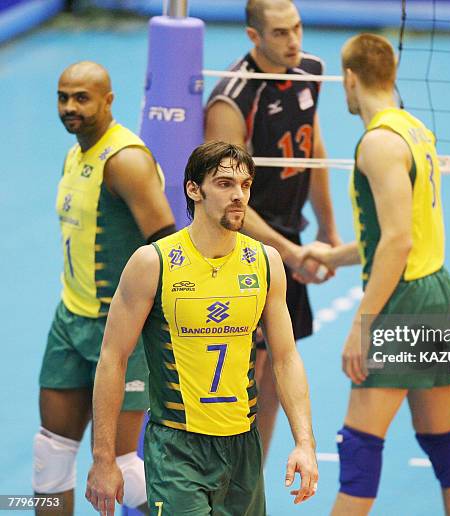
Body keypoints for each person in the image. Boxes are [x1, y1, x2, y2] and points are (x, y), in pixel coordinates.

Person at [85, 141, 318, 515]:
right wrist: (103, 458)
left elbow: (286, 358)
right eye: (225, 184)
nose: (238, 195)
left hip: (242, 448)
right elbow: (113, 358)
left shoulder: (265, 262)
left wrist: (304, 442)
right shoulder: (153, 263)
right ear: (194, 189)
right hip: (178, 447)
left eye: (245, 185)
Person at [304, 34, 450, 515]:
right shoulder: (414, 130)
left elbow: (398, 242)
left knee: (359, 446)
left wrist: (363, 324)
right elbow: (403, 233)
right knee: (441, 437)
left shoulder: (377, 143)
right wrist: (336, 256)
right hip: (435, 289)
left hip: (404, 300)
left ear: (350, 79)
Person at [33, 61, 175, 515]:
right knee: (50, 455)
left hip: (119, 331)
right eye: (63, 97)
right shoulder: (75, 154)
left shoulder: (126, 161)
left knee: (120, 468)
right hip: (70, 322)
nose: (70, 107)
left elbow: (166, 250)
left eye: (82, 98)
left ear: (108, 100)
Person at [204, 0, 340, 459]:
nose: (294, 41)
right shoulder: (233, 98)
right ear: (253, 37)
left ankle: (251, 486)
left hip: (287, 239)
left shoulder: (311, 71)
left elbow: (314, 147)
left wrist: (328, 228)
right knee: (245, 375)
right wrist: (287, 251)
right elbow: (226, 203)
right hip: (241, 247)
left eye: (297, 29)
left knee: (272, 377)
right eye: (280, 33)